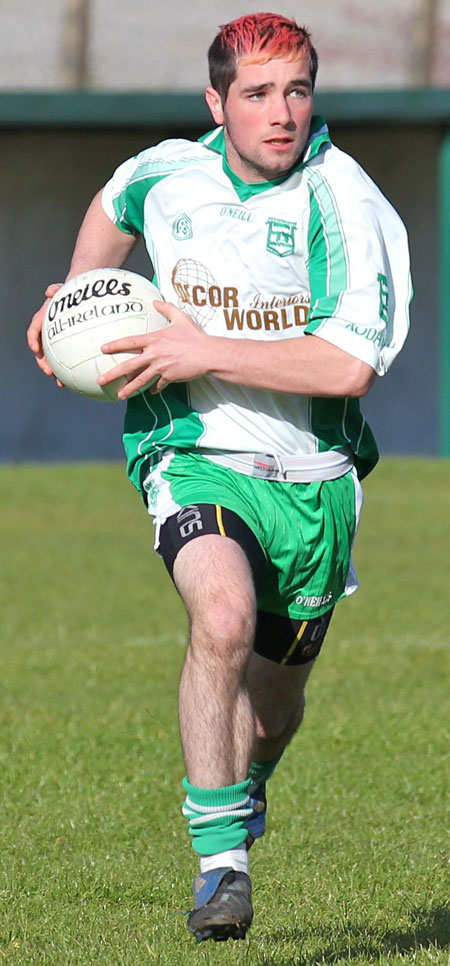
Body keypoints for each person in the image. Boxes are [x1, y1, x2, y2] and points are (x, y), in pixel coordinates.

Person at [27, 12, 411, 944]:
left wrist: (205, 345)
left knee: (272, 713)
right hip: (190, 449)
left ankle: (245, 789)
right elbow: (115, 206)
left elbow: (347, 369)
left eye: (297, 91)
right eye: (256, 94)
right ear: (216, 103)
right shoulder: (168, 174)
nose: (281, 113)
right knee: (223, 617)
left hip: (314, 480)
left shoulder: (348, 204)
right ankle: (221, 870)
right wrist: (75, 301)